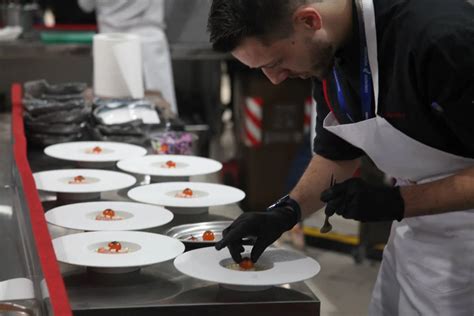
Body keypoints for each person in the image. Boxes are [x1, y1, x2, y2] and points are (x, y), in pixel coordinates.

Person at [208, 0, 474, 315]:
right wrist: (286, 211)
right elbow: (338, 154)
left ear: (309, 20)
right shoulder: (326, 51)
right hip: (416, 239)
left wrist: (399, 202)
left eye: (276, 62)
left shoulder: (444, 39)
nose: (275, 79)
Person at [78, 0, 178, 113]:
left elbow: (86, 6)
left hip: (111, 43)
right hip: (148, 43)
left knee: (112, 116)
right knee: (161, 117)